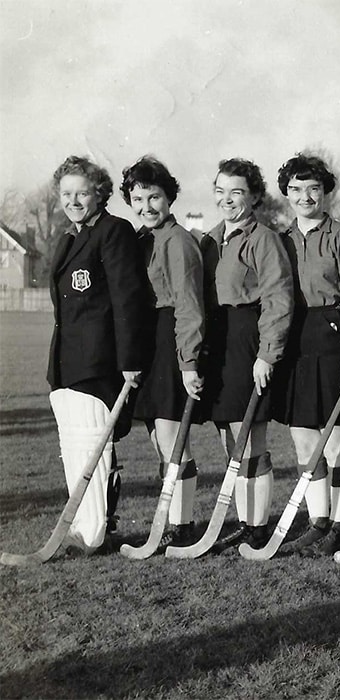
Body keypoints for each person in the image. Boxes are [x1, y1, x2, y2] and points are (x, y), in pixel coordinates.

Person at [47, 155, 150, 555]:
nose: (74, 200)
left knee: (94, 445)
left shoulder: (114, 231)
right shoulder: (69, 236)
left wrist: (129, 362)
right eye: (67, 194)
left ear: (99, 193)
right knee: (73, 446)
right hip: (67, 363)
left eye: (82, 193)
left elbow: (127, 300)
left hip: (100, 363)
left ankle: (94, 533)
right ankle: (82, 530)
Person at [271, 154, 340, 557]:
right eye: (296, 189)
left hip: (333, 341)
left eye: (313, 188)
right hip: (296, 341)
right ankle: (319, 522)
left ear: (326, 192)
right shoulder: (281, 240)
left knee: (336, 442)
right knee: (304, 443)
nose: (305, 196)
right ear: (287, 195)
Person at [203, 158, 294, 552]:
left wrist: (266, 354)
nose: (227, 200)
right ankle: (244, 520)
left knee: (249, 438)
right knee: (228, 437)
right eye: (220, 191)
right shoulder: (209, 239)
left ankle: (259, 525)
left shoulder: (264, 239)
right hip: (218, 343)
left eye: (236, 192)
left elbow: (278, 299)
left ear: (254, 196)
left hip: (248, 341)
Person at [121, 156, 205, 549]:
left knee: (173, 438)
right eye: (138, 199)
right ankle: (171, 518)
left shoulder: (178, 240)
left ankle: (182, 525)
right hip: (149, 342)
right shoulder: (141, 239)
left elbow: (188, 306)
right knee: (158, 438)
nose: (146, 207)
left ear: (168, 197)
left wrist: (188, 362)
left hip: (172, 340)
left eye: (154, 197)